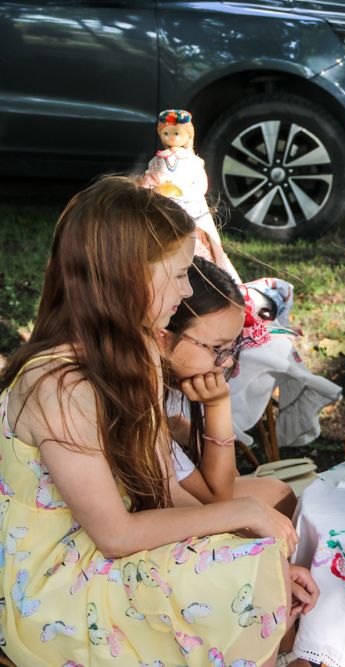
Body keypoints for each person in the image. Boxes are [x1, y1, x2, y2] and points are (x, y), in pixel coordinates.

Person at [0, 177, 316, 666]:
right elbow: (116, 535)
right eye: (180, 274)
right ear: (127, 276)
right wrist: (243, 517)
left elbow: (164, 489)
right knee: (245, 572)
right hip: (49, 589)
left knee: (256, 567)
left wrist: (256, 552)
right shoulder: (60, 384)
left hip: (98, 556)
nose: (186, 290)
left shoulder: (136, 356)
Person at [162, 255, 298, 518]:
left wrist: (189, 432)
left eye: (232, 346)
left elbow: (228, 479)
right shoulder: (147, 397)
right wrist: (217, 406)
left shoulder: (185, 383)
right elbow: (220, 494)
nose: (226, 362)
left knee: (278, 495)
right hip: (145, 515)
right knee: (271, 503)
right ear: (163, 337)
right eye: (216, 347)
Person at [141, 108, 241, 280]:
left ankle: (201, 273)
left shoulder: (193, 161)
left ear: (188, 135)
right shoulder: (157, 160)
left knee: (194, 238)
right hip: (162, 205)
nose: (172, 137)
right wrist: (151, 188)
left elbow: (200, 184)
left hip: (188, 206)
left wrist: (186, 194)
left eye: (177, 133)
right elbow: (149, 178)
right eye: (166, 133)